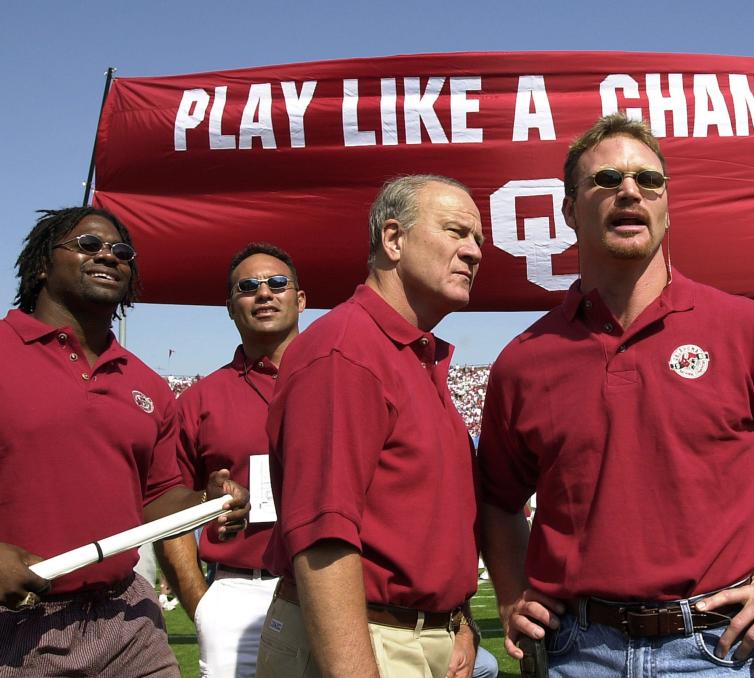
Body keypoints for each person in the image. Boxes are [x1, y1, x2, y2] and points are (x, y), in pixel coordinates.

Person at [477, 113, 754, 677]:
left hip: (719, 650)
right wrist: (513, 595)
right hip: (577, 654)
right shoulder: (524, 359)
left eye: (649, 180)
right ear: (568, 211)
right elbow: (498, 499)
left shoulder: (746, 328)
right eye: (606, 179)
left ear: (666, 204)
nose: (630, 190)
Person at [0, 207, 250, 677]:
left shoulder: (148, 385)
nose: (109, 256)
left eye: (122, 251)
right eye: (88, 245)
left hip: (126, 618)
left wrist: (206, 502)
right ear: (41, 265)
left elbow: (155, 499)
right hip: (15, 624)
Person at [257, 175, 484, 678]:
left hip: (420, 636)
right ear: (393, 239)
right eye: (456, 232)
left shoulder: (415, 356)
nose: (473, 252)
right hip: (366, 639)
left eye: (478, 240)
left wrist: (459, 621)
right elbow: (323, 538)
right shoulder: (347, 350)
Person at [155, 243, 306, 677]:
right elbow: (168, 510)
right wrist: (201, 602)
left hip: (335, 582)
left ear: (299, 299)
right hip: (238, 590)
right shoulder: (199, 400)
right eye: (248, 286)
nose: (264, 293)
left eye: (277, 283)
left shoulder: (341, 378)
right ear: (229, 306)